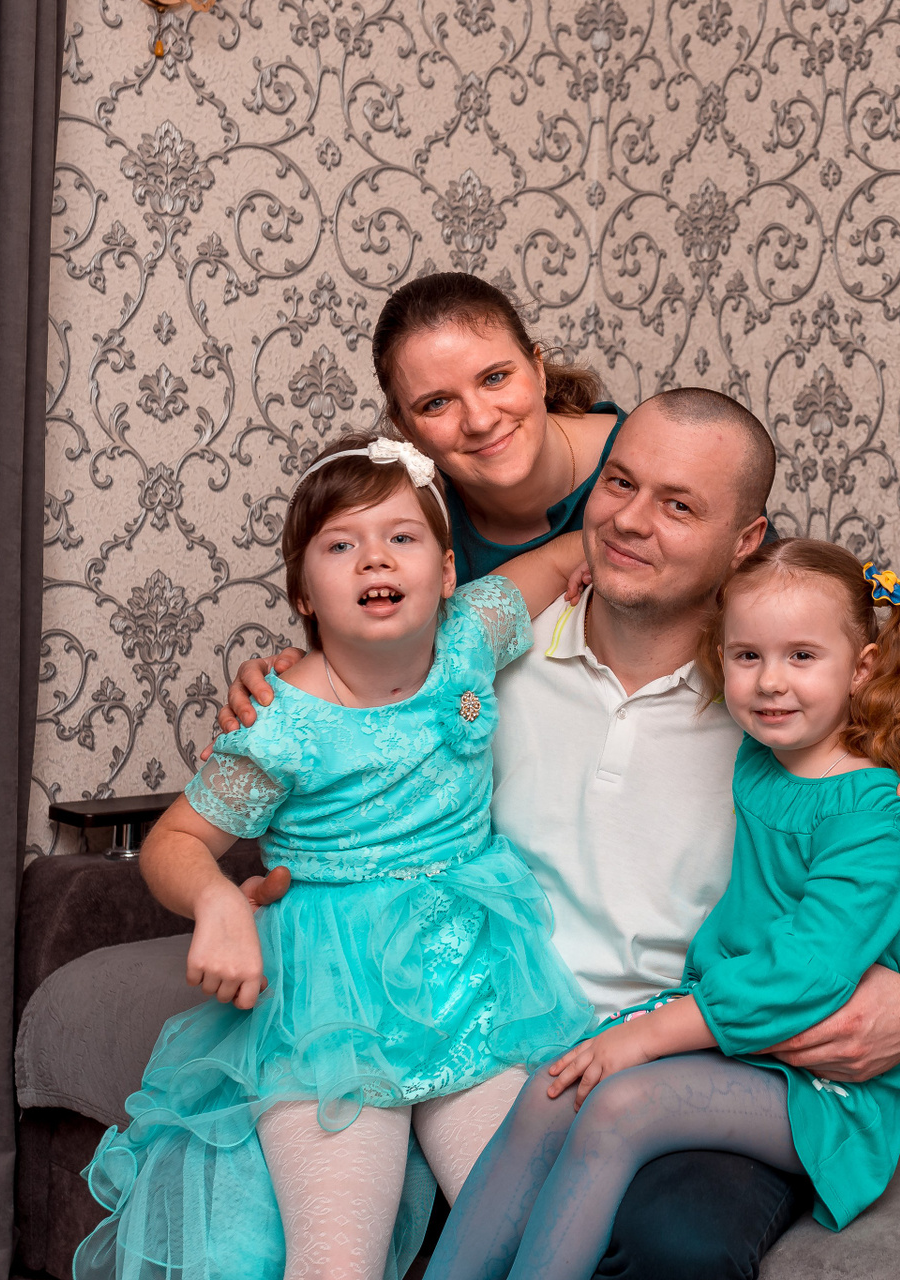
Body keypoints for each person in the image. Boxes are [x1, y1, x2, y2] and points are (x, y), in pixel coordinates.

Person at [221, 388, 900, 1278]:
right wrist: (287, 687)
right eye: (620, 483)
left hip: (703, 1039)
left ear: (746, 541)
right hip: (496, 1027)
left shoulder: (779, 712)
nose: (632, 520)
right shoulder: (481, 654)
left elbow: (898, 896)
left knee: (674, 1242)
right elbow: (353, 695)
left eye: (679, 505)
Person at [74, 435, 596, 1280]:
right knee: (335, 1263)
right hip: (329, 1004)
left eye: (401, 537)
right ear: (303, 594)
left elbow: (578, 547)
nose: (374, 558)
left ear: (448, 572)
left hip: (473, 981)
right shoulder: (281, 723)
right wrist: (216, 902)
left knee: (526, 1234)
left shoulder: (475, 633)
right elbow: (175, 842)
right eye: (341, 545)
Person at [422, 538, 900, 1279]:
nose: (771, 682)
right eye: (747, 657)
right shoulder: (763, 754)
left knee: (617, 1105)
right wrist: (598, 571)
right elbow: (683, 598)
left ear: (862, 668)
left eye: (802, 657)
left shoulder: (884, 816)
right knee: (555, 1086)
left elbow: (805, 973)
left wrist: (648, 1036)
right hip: (726, 1026)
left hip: (818, 1077)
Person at [371, 272, 624, 583]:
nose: (480, 421)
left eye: (495, 378)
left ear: (538, 371)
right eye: (436, 403)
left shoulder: (647, 465)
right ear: (406, 429)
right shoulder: (406, 524)